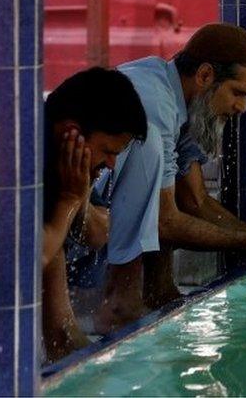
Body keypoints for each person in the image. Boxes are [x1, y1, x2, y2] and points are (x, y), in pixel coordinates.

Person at [94, 23, 246, 334]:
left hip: (100, 209)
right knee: (152, 164)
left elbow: (196, 201)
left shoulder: (182, 101)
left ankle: (159, 294)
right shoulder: (155, 105)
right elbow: (166, 221)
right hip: (80, 207)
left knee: (165, 185)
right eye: (238, 93)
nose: (241, 108)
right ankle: (120, 302)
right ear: (204, 76)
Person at [42, 67, 148, 361]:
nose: (112, 164)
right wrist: (68, 201)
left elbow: (99, 232)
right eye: (107, 151)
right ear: (71, 133)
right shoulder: (25, 158)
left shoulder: (66, 167)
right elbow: (28, 259)